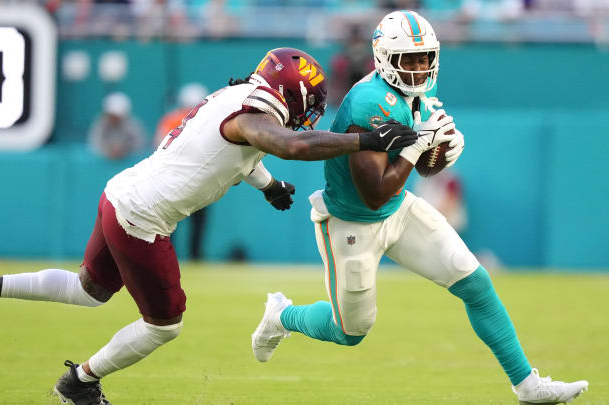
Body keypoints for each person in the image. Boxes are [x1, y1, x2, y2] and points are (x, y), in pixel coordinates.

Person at [0, 47, 419, 405]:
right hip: (142, 218)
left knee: (90, 289)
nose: (309, 110)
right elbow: (290, 144)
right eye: (307, 99)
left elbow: (240, 155)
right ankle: (81, 383)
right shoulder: (253, 114)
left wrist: (269, 187)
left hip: (120, 194)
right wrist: (366, 141)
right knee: (166, 324)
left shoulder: (237, 97)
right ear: (289, 93)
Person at [250, 12, 589, 404]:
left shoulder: (414, 95)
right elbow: (374, 191)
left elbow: (420, 170)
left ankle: (528, 387)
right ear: (383, 58)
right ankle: (281, 315)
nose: (418, 68)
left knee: (475, 283)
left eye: (424, 58)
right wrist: (416, 147)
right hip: (351, 220)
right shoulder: (368, 103)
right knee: (351, 331)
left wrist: (440, 153)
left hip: (397, 209)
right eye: (408, 60)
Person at [154, 82, 210, 260]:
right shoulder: (207, 119)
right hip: (193, 177)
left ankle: (171, 255)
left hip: (179, 177)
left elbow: (159, 146)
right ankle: (194, 255)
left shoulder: (173, 118)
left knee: (173, 220)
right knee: (189, 221)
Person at [88, 92, 147, 160]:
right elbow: (94, 143)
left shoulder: (132, 125)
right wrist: (108, 150)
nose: (114, 118)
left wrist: (125, 149)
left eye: (117, 116)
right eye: (112, 115)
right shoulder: (101, 124)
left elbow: (140, 143)